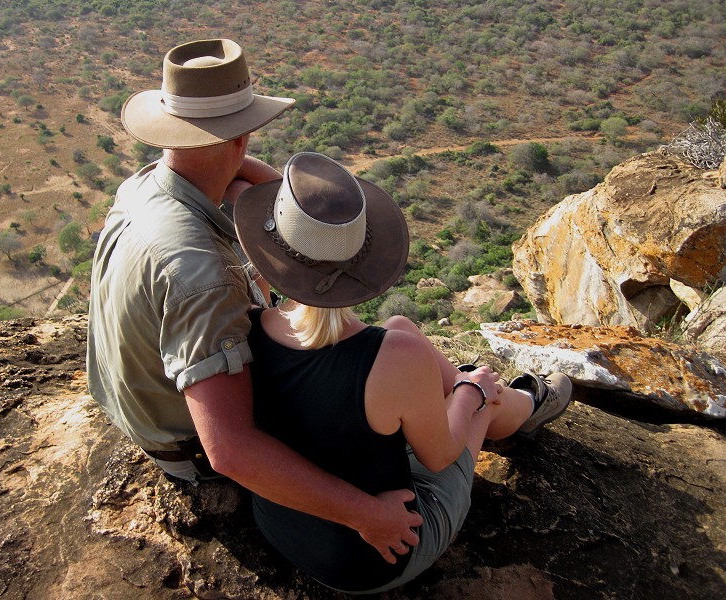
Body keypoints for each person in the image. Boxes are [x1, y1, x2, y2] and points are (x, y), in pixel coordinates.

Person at [86, 39, 422, 561]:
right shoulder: (204, 274)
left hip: (137, 406)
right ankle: (493, 402)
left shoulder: (145, 186)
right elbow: (230, 450)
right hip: (187, 447)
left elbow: (241, 175)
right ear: (242, 136)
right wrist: (367, 515)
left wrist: (250, 171)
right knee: (374, 382)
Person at [233, 152, 573, 594]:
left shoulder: (243, 328)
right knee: (476, 397)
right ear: (362, 256)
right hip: (375, 556)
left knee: (399, 327)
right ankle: (522, 406)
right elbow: (440, 456)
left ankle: (517, 404)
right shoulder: (392, 358)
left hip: (283, 530)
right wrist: (469, 392)